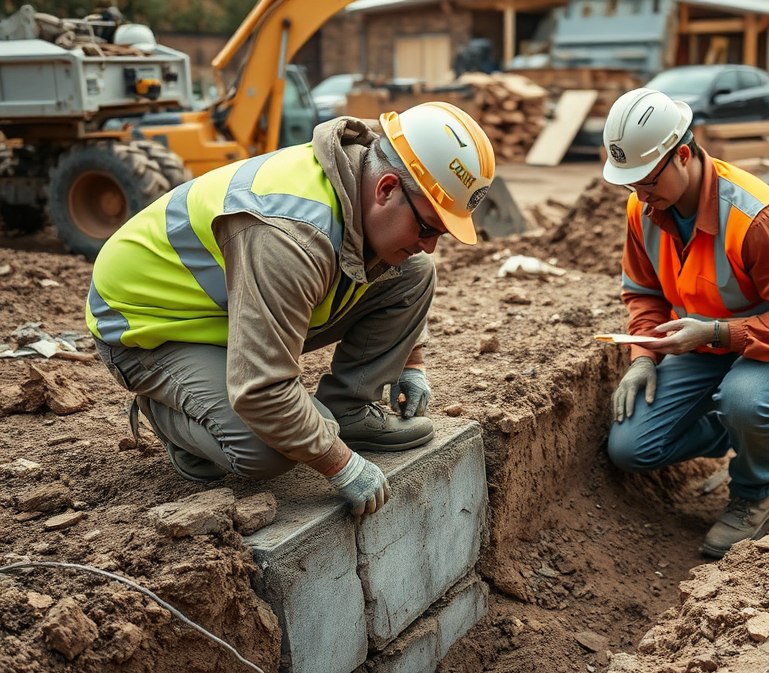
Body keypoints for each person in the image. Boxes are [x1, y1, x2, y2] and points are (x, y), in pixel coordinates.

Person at [86, 102, 495, 517]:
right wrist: (340, 463)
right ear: (386, 188)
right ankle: (165, 410)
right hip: (150, 327)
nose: (430, 243)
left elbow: (405, 272)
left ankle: (347, 410)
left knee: (413, 270)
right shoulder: (289, 236)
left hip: (230, 310)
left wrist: (412, 361)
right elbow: (263, 390)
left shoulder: (355, 179)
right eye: (428, 227)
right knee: (269, 451)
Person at [600, 88, 769, 557]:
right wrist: (643, 357)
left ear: (683, 156)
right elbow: (645, 292)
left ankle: (753, 496)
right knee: (631, 448)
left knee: (745, 398)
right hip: (711, 343)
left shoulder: (757, 217)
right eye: (631, 185)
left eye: (646, 181)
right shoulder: (645, 209)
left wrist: (715, 332)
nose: (639, 195)